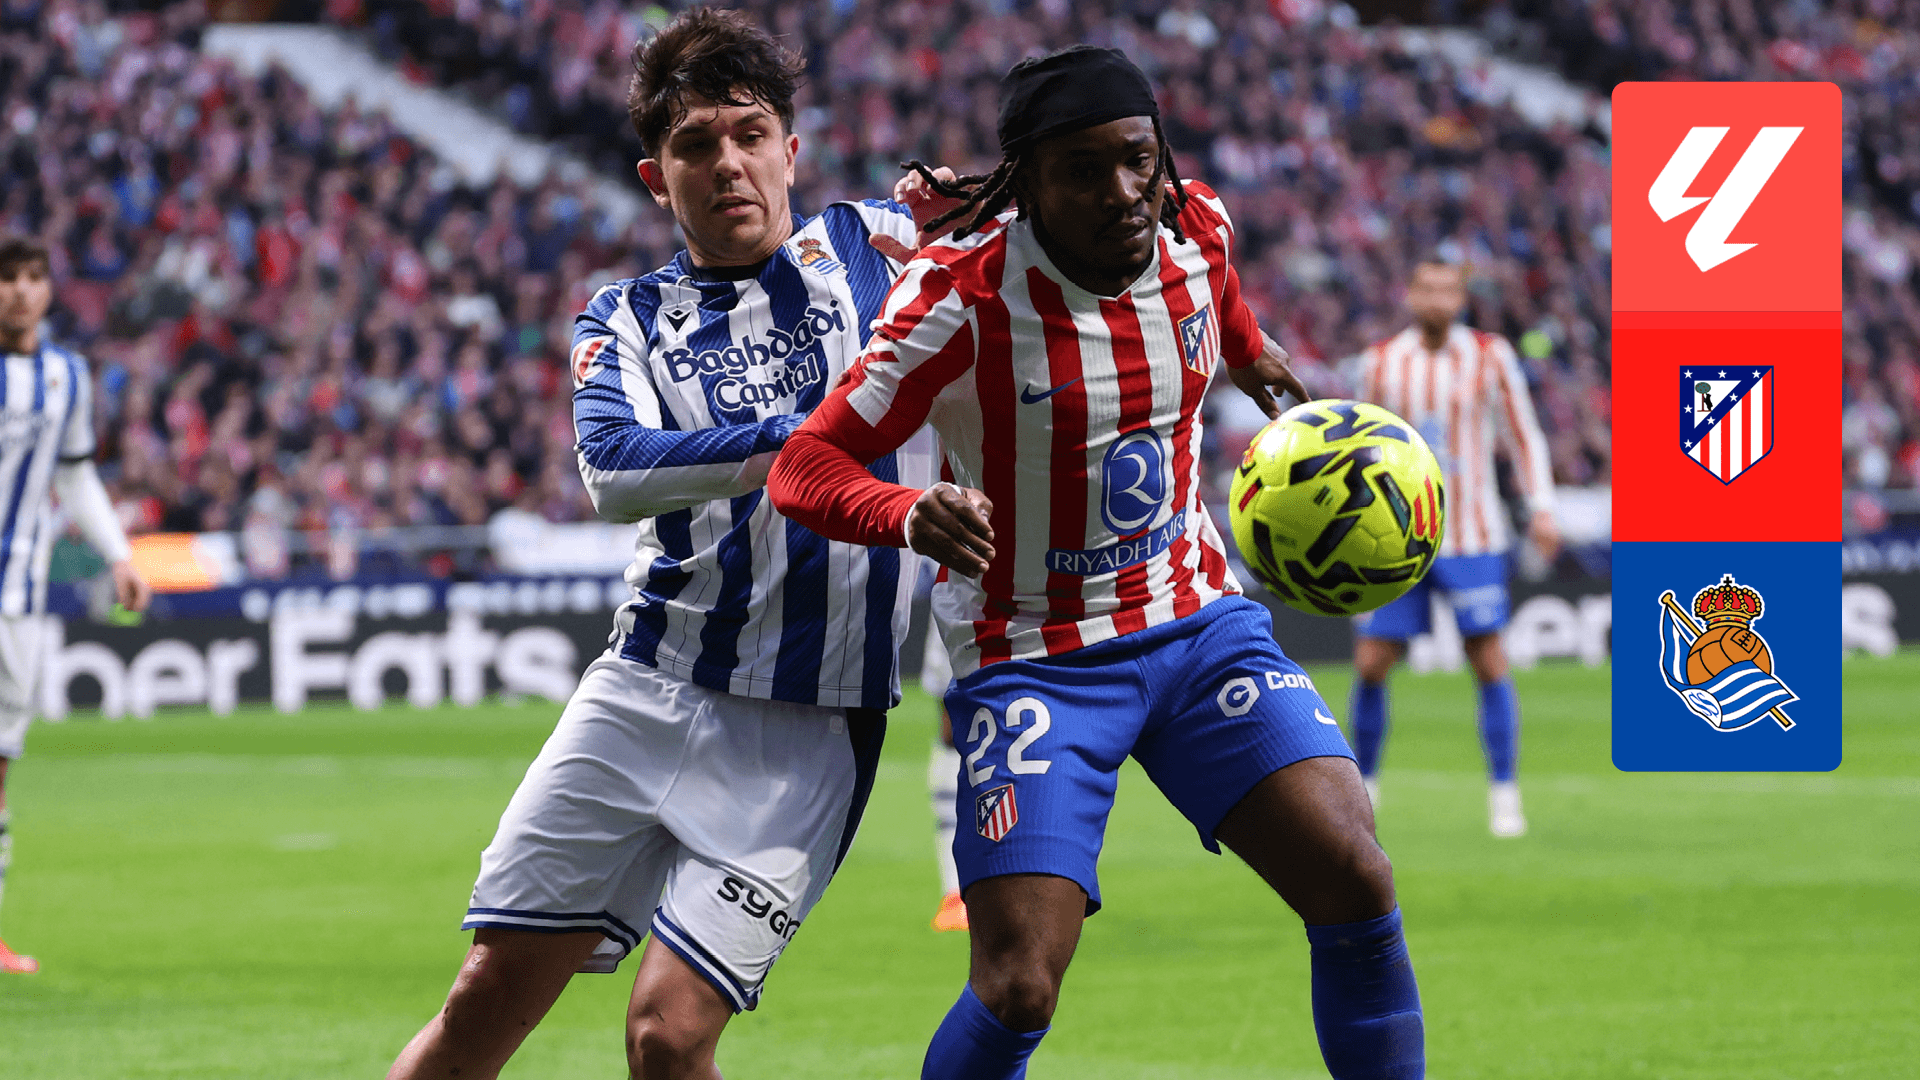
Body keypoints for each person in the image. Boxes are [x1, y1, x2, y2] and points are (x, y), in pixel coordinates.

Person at [770, 45, 1425, 1080]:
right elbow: (803, 466)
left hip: (1196, 622)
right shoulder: (958, 300)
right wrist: (904, 510)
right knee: (1018, 983)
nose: (1124, 192)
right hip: (1034, 655)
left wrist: (1248, 350)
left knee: (1356, 877)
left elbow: (1220, 297)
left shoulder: (1196, 230)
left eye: (1139, 160)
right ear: (1027, 185)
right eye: (1083, 170)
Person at [385, 10, 950, 1078]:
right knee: (482, 1000)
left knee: (667, 1034)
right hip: (645, 691)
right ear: (657, 179)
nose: (728, 163)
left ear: (793, 148)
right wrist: (803, 439)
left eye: (750, 134)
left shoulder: (883, 246)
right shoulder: (627, 316)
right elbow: (612, 467)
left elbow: (1048, 247)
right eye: (696, 145)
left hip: (809, 729)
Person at [1350, 259, 1559, 838]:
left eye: (1448, 289)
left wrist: (1542, 505)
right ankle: (1364, 790)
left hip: (1472, 534)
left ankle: (1504, 794)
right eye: (1428, 287)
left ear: (1462, 298)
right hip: (1394, 537)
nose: (1437, 298)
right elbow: (1356, 444)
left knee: (1488, 659)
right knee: (1371, 663)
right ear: (1411, 294)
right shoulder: (1380, 362)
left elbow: (1522, 432)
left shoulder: (1490, 355)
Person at [0, 236, 152, 974]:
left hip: (18, 597)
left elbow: (76, 474)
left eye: (33, 277)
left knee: (1, 764)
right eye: (7, 278)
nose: (20, 291)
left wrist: (119, 554)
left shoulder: (65, 376)